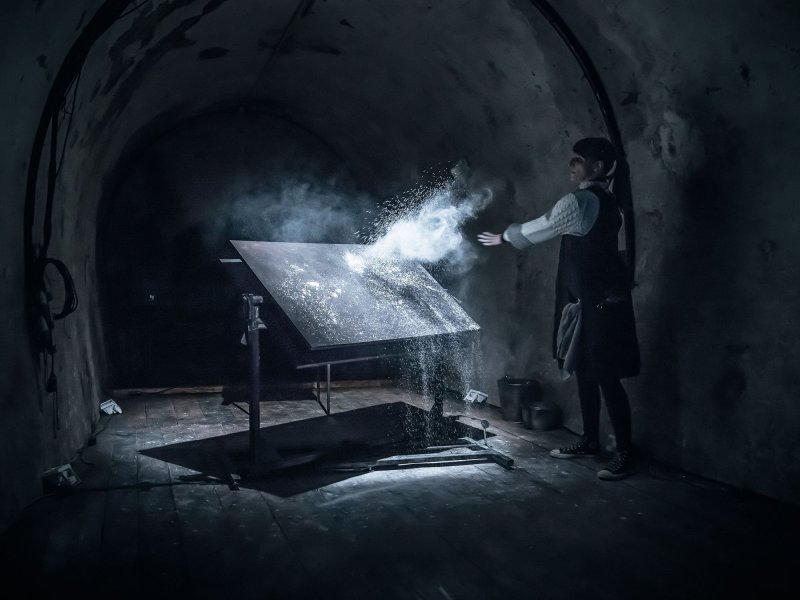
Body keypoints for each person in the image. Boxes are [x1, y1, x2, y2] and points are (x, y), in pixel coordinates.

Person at [478, 137, 640, 481]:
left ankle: (625, 452)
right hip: (593, 301)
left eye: (578, 161)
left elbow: (545, 225)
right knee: (585, 369)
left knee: (606, 377)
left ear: (596, 167)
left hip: (599, 303)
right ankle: (590, 440)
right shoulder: (608, 200)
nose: (572, 165)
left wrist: (506, 237)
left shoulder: (582, 201)